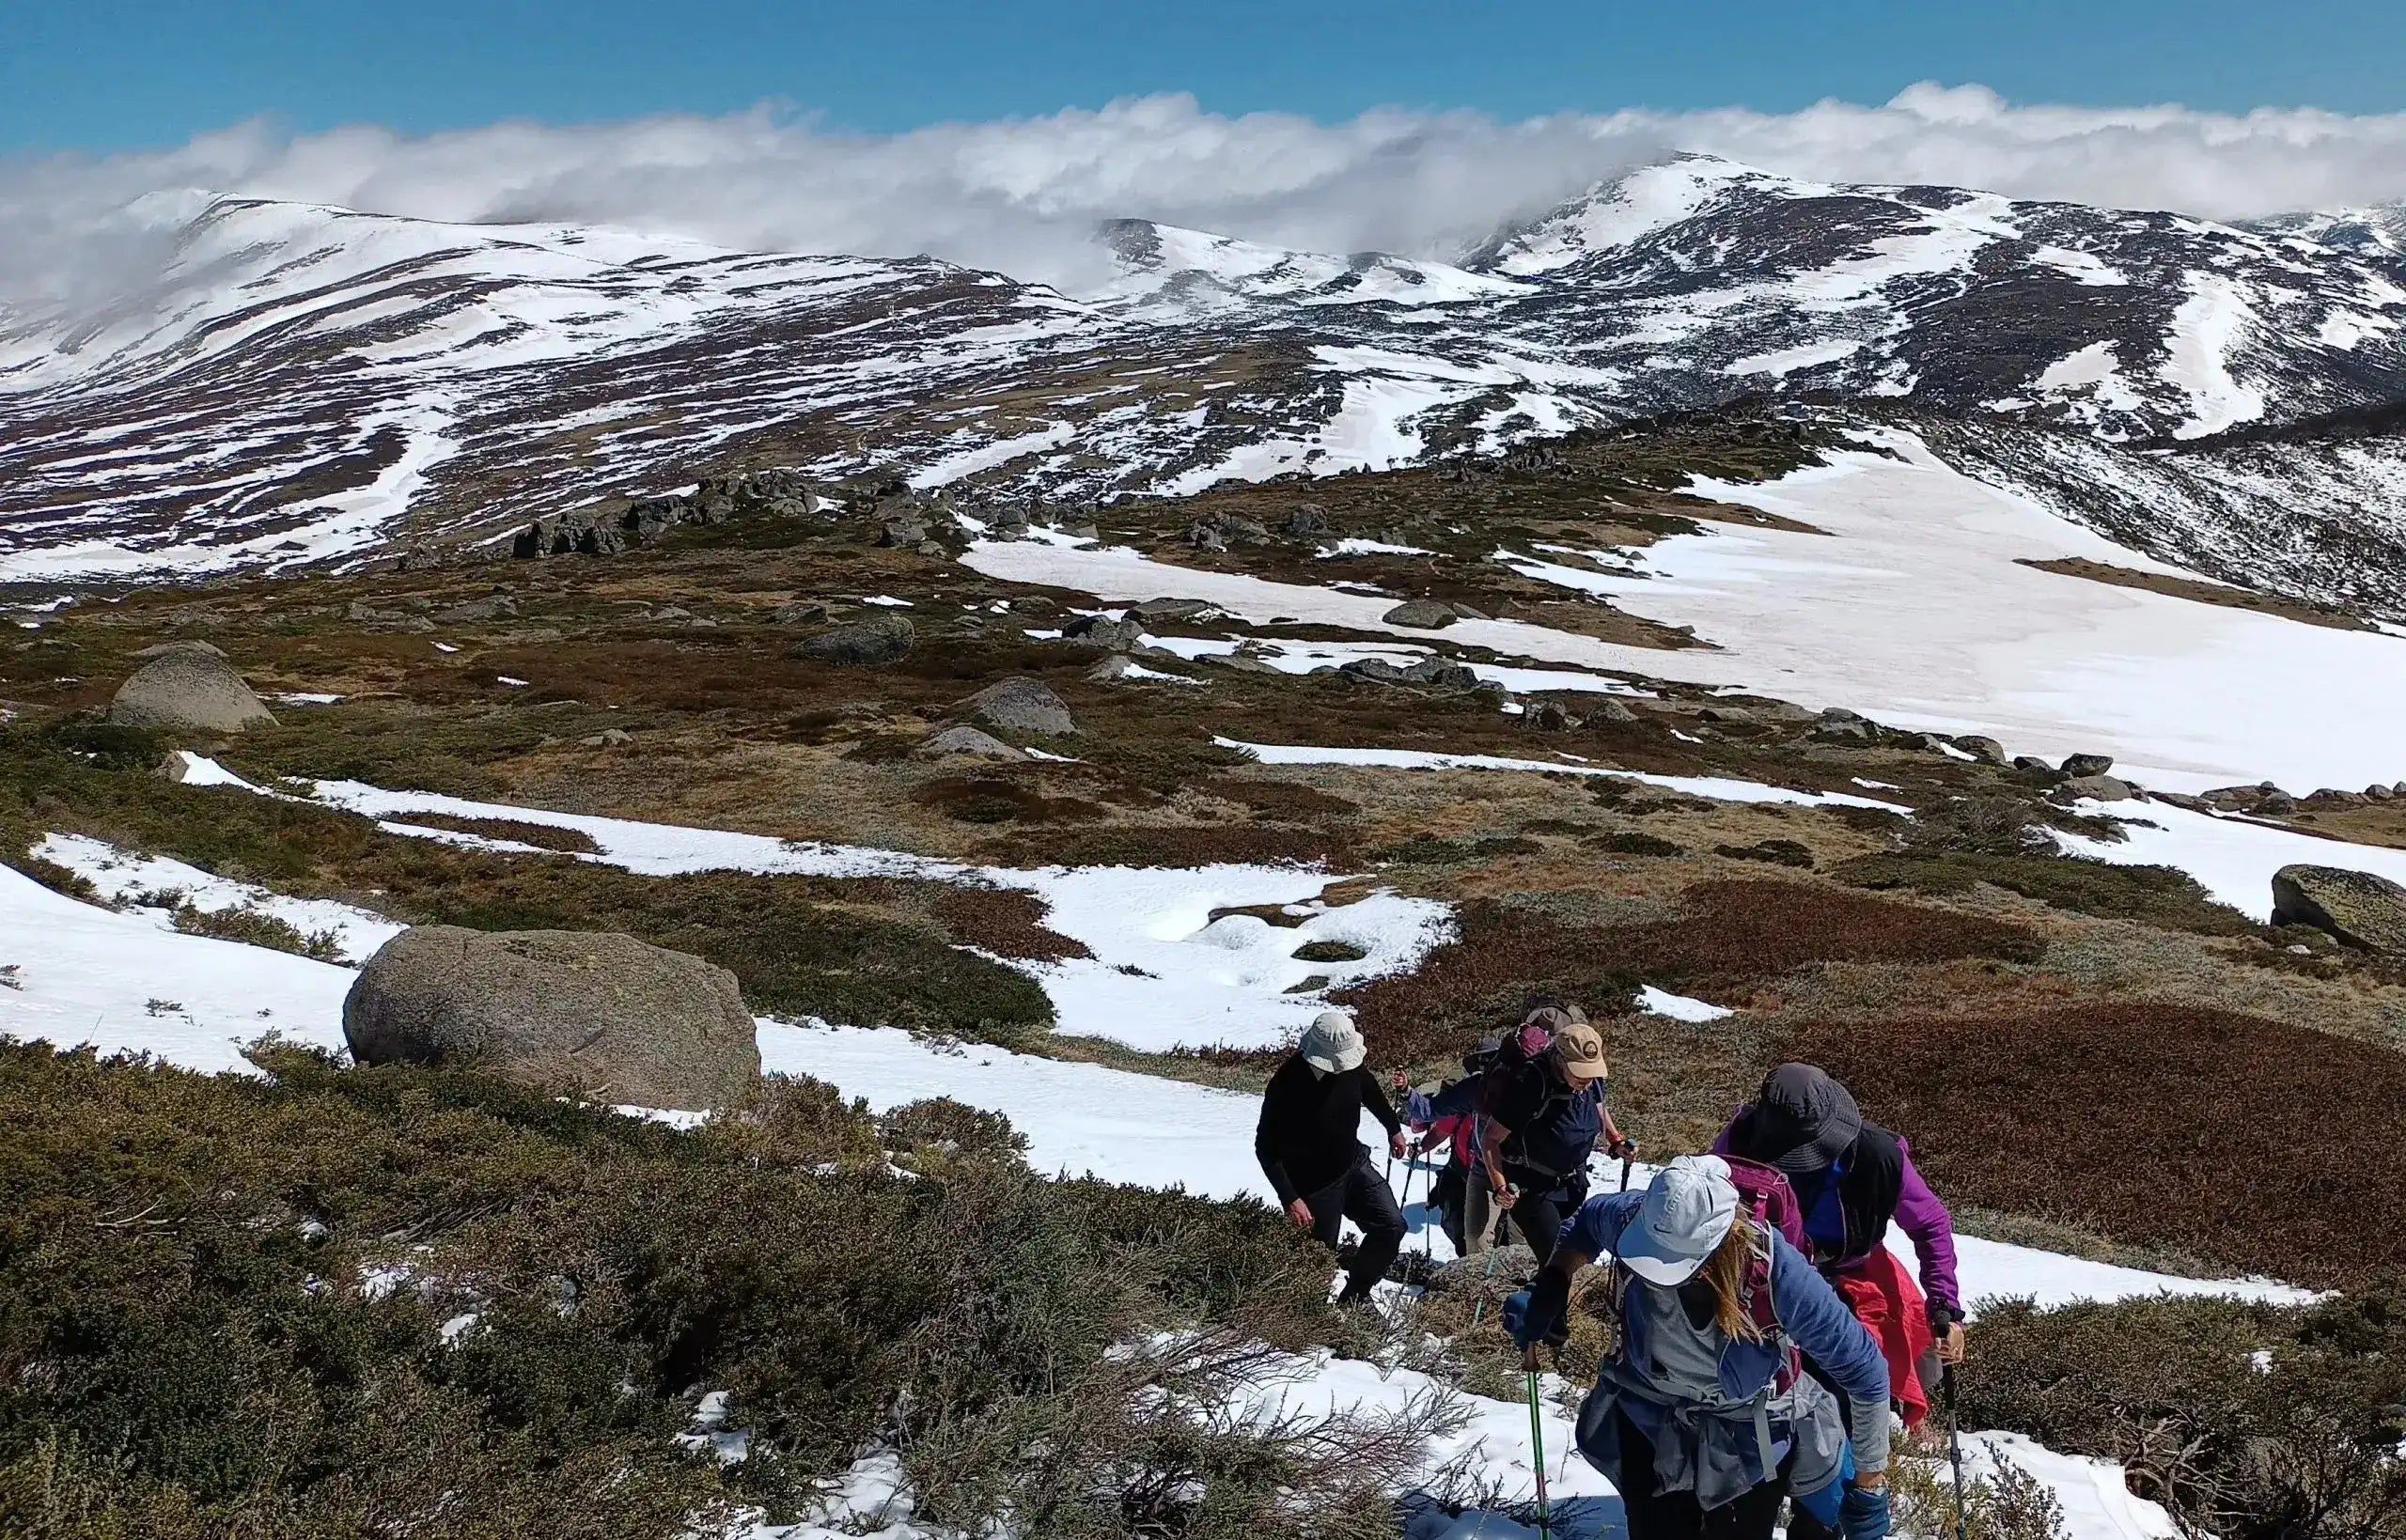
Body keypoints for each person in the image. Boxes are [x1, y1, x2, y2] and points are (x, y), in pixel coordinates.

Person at [1508, 1156, 1892, 1540]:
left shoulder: (1774, 1271)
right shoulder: (1631, 1217)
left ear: (1721, 1242)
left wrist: (1869, 1485)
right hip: (1648, 1412)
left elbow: (1866, 1371)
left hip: (1748, 1435)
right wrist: (1553, 1279)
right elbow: (1587, 1222)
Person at [1713, 1064, 1965, 1434]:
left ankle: (1855, 1447)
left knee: (1861, 1367)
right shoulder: (1740, 1143)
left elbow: (1930, 1224)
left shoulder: (1879, 1157)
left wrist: (1944, 1306)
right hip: (1762, 1271)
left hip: (1852, 1271)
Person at [1254, 1010, 1407, 1304]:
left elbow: (1370, 1091)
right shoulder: (1287, 1082)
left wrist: (1393, 1128)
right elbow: (1265, 1146)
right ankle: (1307, 1321)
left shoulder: (1352, 1067)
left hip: (1354, 1164)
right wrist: (1290, 1198)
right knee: (1317, 1264)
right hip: (1312, 1187)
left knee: (1391, 1226)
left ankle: (1355, 1297)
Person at [1476, 1009, 1633, 1266]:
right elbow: (1491, 1138)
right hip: (1533, 1188)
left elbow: (1598, 1107)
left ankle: (1550, 1297)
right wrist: (1500, 1186)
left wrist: (1616, 1140)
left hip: (1572, 1182)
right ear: (1560, 1060)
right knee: (1556, 1263)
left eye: (1591, 1071)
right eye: (1579, 1071)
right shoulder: (1530, 1082)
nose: (1587, 1078)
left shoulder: (1590, 1080)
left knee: (1578, 1255)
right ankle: (1547, 1302)